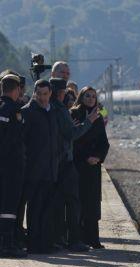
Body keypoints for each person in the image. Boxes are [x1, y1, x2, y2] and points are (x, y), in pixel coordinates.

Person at [50, 78, 99, 252]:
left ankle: (58, 238)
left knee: (58, 203)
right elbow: (71, 134)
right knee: (72, 202)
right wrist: (89, 121)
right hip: (65, 162)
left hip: (55, 162)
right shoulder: (62, 110)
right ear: (61, 93)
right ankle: (74, 240)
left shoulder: (49, 108)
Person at [22, 79, 59, 253]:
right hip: (34, 170)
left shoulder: (52, 112)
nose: (43, 98)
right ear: (35, 93)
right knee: (35, 208)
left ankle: (45, 243)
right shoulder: (28, 112)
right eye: (40, 94)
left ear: (50, 93)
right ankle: (34, 244)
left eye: (46, 94)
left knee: (47, 209)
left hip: (50, 169)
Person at [71, 87, 109, 249]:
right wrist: (86, 157)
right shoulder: (74, 113)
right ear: (81, 97)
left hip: (94, 166)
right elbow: (75, 140)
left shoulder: (99, 115)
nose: (91, 98)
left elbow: (104, 142)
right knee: (79, 201)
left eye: (93, 96)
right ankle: (78, 238)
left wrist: (98, 157)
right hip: (79, 164)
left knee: (93, 202)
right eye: (87, 95)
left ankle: (93, 238)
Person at [0, 74, 27, 258]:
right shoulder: (10, 109)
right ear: (16, 89)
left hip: (7, 165)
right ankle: (7, 244)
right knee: (9, 206)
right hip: (9, 167)